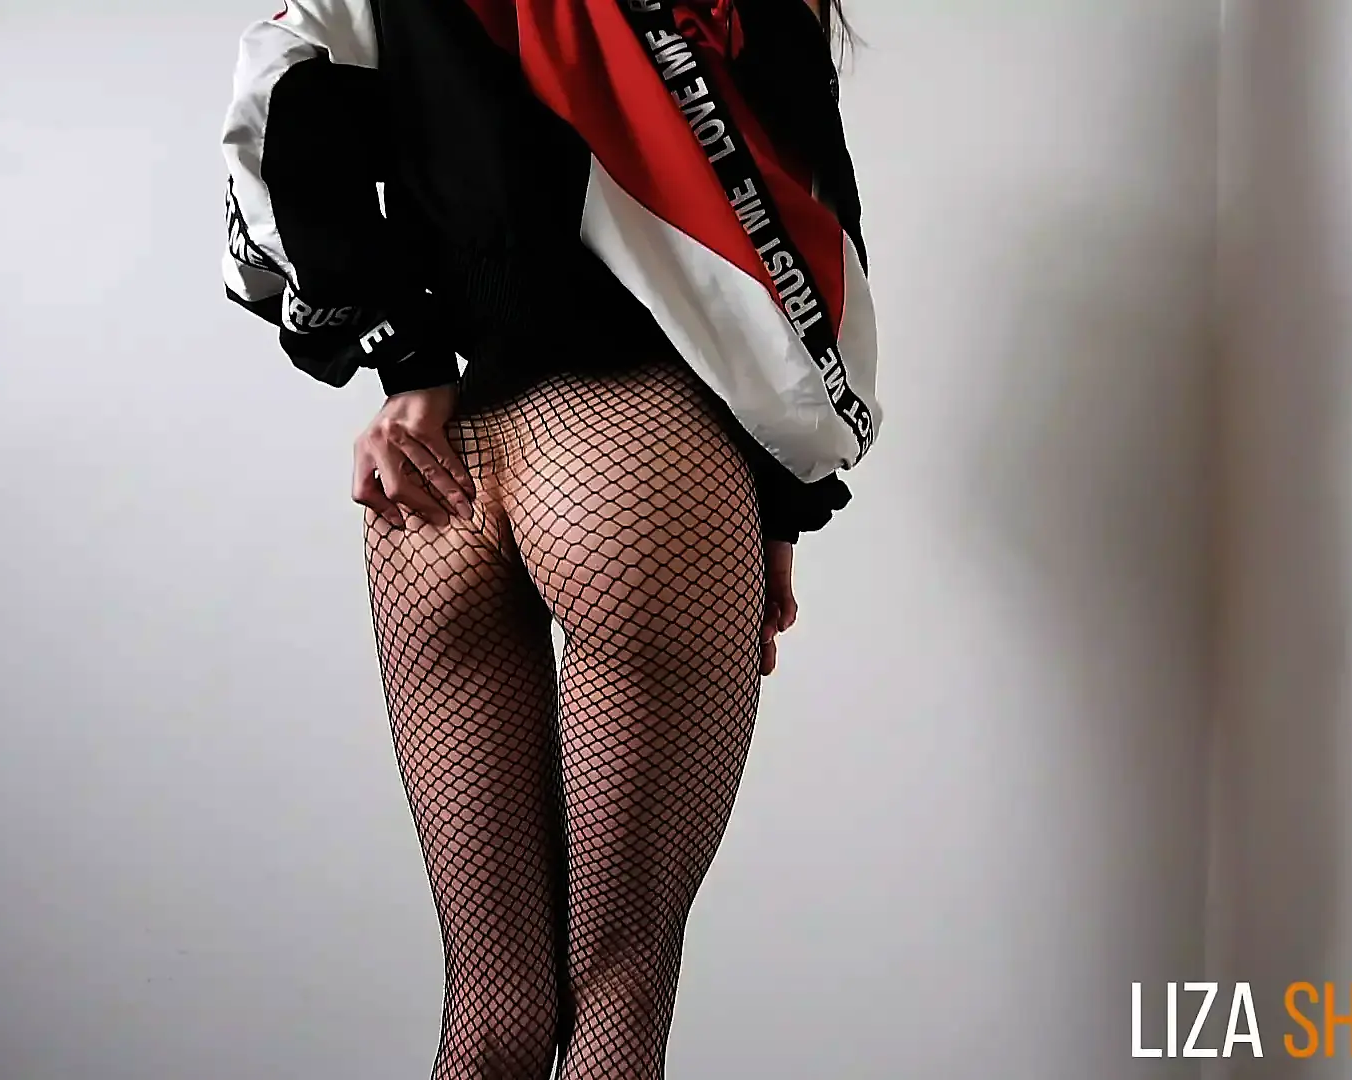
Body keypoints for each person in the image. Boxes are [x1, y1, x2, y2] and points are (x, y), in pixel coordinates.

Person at [219, 1, 877, 1076]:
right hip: (642, 451)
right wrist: (780, 500)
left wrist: (407, 360)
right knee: (620, 997)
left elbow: (279, 98)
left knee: (490, 1011)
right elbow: (804, 245)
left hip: (438, 473)